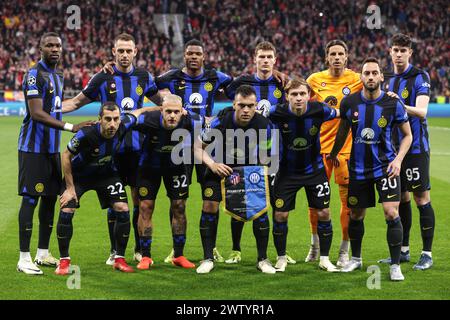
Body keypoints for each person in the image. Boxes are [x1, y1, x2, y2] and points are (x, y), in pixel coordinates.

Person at [62, 33, 163, 264]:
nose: (125, 55)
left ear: (135, 51)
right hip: (113, 151)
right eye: (121, 51)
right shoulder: (102, 78)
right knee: (114, 200)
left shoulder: (144, 77)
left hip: (138, 149)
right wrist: (49, 110)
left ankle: (138, 249)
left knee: (138, 200)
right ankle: (114, 251)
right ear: (113, 52)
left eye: (129, 50)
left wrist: (179, 108)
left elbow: (161, 103)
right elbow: (77, 102)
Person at [329, 57, 412, 281]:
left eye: (375, 73)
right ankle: (356, 259)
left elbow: (408, 135)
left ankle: (395, 265)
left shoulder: (393, 104)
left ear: (381, 76)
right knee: (355, 214)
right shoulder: (350, 102)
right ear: (362, 77)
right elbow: (343, 131)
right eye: (367, 73)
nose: (371, 77)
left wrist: (398, 160)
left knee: (392, 212)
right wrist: (335, 153)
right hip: (358, 169)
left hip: (386, 167)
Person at [17, 32, 93, 275]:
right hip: (33, 149)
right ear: (40, 49)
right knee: (31, 199)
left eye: (58, 46)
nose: (54, 49)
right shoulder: (33, 75)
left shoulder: (58, 75)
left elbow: (58, 108)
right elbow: (37, 113)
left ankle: (42, 253)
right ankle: (23, 258)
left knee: (50, 199)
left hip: (51, 150)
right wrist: (72, 127)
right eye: (49, 45)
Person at [155, 39, 233, 264]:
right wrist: (165, 104)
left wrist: (217, 118)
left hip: (209, 145)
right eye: (189, 53)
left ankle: (213, 247)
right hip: (182, 147)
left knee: (211, 201)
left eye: (197, 54)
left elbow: (237, 88)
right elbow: (148, 85)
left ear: (203, 56)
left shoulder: (215, 77)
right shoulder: (172, 77)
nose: (193, 57)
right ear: (185, 56)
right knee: (178, 201)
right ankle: (176, 249)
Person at [55, 102, 153, 275]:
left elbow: (139, 111)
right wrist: (70, 188)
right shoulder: (85, 134)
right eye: (108, 119)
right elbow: (66, 155)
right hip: (80, 176)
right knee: (67, 208)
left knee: (123, 208)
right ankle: (64, 262)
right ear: (100, 120)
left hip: (106, 174)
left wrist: (160, 108)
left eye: (116, 119)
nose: (113, 124)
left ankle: (119, 259)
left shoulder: (123, 125)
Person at [223, 41, 295, 265]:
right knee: (240, 199)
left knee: (276, 203)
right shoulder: (243, 82)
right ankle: (236, 249)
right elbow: (227, 93)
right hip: (245, 151)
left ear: (275, 60)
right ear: (255, 59)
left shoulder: (283, 84)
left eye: (269, 57)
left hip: (275, 151)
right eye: (261, 57)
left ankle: (279, 252)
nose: (265, 61)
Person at [194, 85, 277, 274]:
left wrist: (261, 170)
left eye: (250, 106)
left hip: (249, 171)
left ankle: (262, 259)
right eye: (241, 105)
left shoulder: (264, 124)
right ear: (234, 104)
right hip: (220, 170)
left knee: (260, 209)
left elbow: (267, 153)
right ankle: (207, 258)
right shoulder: (220, 122)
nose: (246, 110)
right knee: (209, 206)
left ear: (256, 106)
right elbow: (197, 147)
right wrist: (213, 164)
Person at [268, 78, 340, 272]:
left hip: (314, 170)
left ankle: (324, 259)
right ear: (287, 96)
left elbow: (343, 113)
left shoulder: (320, 110)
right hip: (286, 172)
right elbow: (256, 118)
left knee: (324, 212)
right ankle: (281, 257)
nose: (298, 98)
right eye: (294, 94)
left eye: (302, 94)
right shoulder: (277, 112)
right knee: (280, 214)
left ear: (309, 95)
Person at [377, 34, 435, 270]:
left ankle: (427, 253)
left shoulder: (419, 76)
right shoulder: (387, 78)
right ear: (390, 51)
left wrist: (397, 103)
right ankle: (403, 251)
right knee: (401, 199)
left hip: (416, 148)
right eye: (395, 50)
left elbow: (422, 112)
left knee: (421, 198)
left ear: (410, 52)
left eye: (403, 50)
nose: (399, 54)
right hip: (393, 149)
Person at [306, 40, 363, 266]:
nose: (337, 57)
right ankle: (315, 246)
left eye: (341, 54)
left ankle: (343, 251)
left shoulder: (357, 79)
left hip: (345, 151)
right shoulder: (314, 80)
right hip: (319, 149)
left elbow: (376, 86)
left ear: (347, 57)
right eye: (333, 54)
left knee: (347, 203)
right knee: (315, 203)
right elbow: (301, 102)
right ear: (326, 57)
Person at [133, 94, 201, 270]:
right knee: (145, 208)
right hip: (149, 167)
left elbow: (208, 131)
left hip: (177, 166)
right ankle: (145, 256)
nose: (172, 115)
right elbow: (127, 121)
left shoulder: (191, 121)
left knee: (179, 207)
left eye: (176, 112)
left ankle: (178, 255)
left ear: (182, 112)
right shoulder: (147, 120)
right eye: (168, 111)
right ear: (161, 110)